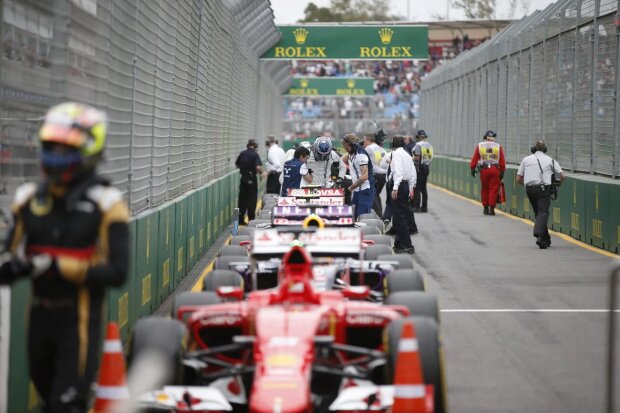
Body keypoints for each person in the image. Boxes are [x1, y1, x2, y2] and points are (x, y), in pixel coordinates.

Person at [0, 102, 129, 413]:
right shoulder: (28, 198)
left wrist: (61, 267)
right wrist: (15, 264)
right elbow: (7, 258)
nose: (56, 155)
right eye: (52, 146)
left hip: (80, 317)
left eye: (65, 148)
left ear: (89, 150)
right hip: (39, 316)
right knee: (48, 398)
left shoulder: (107, 204)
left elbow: (118, 272)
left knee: (66, 404)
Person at [516, 140, 565, 249]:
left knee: (538, 213)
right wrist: (557, 186)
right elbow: (563, 176)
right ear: (545, 149)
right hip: (543, 190)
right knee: (543, 212)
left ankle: (546, 239)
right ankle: (539, 235)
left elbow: (518, 179)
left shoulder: (526, 159)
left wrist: (529, 184)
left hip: (529, 189)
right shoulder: (551, 160)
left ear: (534, 149)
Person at [387, 135, 416, 254]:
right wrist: (411, 187)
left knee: (400, 217)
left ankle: (407, 245)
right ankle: (398, 244)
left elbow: (398, 172)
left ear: (393, 144)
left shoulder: (397, 154)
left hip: (399, 185)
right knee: (400, 215)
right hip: (405, 185)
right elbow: (412, 173)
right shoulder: (406, 154)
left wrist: (395, 188)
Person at [469, 130, 506, 215]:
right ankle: (491, 209)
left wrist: (472, 169)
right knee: (493, 189)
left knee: (484, 189)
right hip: (495, 169)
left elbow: (475, 158)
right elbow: (502, 160)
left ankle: (485, 208)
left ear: (485, 138)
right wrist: (502, 171)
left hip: (484, 170)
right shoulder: (498, 146)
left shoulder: (480, 145)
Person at [341, 133, 375, 219]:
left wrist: (350, 188)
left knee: (361, 218)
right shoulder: (351, 152)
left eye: (347, 147)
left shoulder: (361, 155)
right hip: (357, 191)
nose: (346, 149)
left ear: (352, 145)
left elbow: (364, 177)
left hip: (365, 190)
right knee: (354, 216)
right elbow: (340, 161)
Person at [235, 139, 263, 225]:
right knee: (252, 200)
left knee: (242, 200)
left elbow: (237, 165)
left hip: (243, 178)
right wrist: (261, 173)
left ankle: (240, 220)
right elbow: (258, 167)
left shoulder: (242, 153)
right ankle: (251, 220)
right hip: (252, 178)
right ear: (255, 146)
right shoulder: (255, 154)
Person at [362, 133, 387, 218]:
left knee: (372, 194)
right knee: (376, 194)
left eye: (364, 140)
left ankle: (379, 215)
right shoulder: (382, 149)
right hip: (383, 175)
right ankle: (379, 214)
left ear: (369, 140)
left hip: (375, 174)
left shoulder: (368, 148)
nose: (363, 142)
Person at [412, 129, 433, 212]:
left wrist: (410, 158)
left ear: (418, 137)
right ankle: (424, 207)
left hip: (420, 168)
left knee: (417, 188)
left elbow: (417, 157)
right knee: (424, 188)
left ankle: (416, 207)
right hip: (427, 167)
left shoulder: (418, 145)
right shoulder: (429, 145)